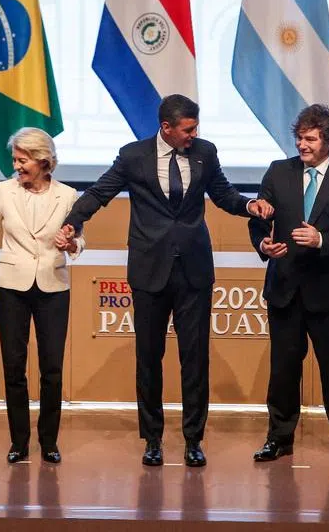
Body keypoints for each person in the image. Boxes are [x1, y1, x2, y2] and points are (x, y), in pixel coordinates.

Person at [59, 94, 273, 467]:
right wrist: (73, 221)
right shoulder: (133, 156)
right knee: (149, 358)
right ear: (167, 128)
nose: (194, 135)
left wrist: (248, 206)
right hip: (149, 270)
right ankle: (153, 438)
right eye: (188, 129)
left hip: (194, 270)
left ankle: (193, 439)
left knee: (195, 358)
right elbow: (99, 193)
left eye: (196, 128)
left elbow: (222, 194)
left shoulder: (205, 152)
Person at [248, 105, 329, 464]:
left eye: (311, 138)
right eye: (300, 137)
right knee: (283, 367)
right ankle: (279, 437)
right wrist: (262, 244)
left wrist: (321, 239)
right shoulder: (278, 171)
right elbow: (259, 219)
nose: (302, 144)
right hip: (285, 288)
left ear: (328, 141)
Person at [0, 128, 83, 465]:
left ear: (42, 160)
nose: (16, 166)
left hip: (53, 286)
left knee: (52, 368)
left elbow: (80, 239)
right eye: (15, 159)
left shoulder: (68, 196)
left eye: (22, 160)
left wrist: (72, 244)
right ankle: (19, 440)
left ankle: (49, 441)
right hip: (11, 287)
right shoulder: (4, 190)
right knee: (14, 366)